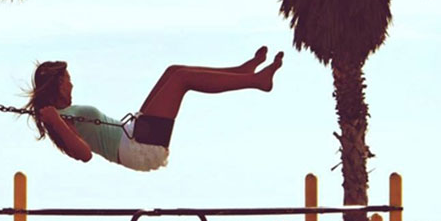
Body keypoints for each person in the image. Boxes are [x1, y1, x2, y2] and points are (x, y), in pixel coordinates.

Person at [27, 48, 283, 171]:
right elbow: (84, 154)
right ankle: (256, 81)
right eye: (68, 79)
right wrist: (54, 120)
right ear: (58, 86)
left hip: (136, 133)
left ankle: (241, 72)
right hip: (139, 148)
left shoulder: (63, 114)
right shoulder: (58, 120)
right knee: (182, 79)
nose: (72, 83)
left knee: (173, 71)